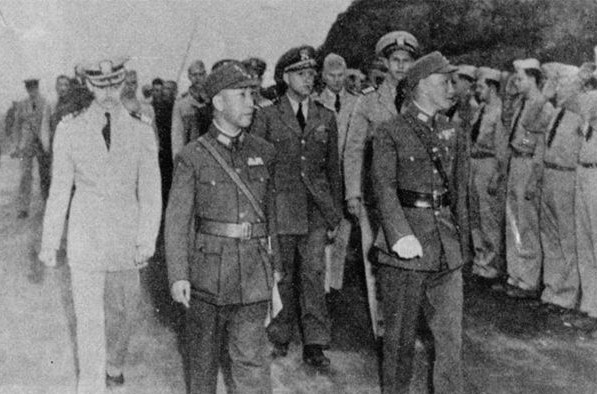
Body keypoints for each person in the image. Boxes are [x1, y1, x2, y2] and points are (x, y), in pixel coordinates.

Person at [38, 56, 162, 394]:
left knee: (123, 311)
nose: (107, 92)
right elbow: (59, 188)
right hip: (86, 235)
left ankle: (114, 363)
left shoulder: (141, 127)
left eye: (113, 84)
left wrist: (146, 237)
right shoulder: (69, 128)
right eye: (99, 85)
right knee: (88, 317)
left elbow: (151, 189)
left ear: (123, 83)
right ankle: (89, 384)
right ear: (88, 86)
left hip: (127, 236)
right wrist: (50, 242)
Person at [166, 60, 280, 393]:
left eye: (253, 95)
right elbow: (177, 221)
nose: (251, 103)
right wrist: (178, 275)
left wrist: (277, 267)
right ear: (217, 102)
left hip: (254, 272)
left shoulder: (264, 152)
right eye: (242, 95)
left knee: (252, 363)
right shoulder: (193, 156)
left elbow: (270, 214)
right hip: (207, 276)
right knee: (203, 365)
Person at [372, 51, 467, 394]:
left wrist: (463, 247)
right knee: (398, 343)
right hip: (406, 251)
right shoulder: (390, 132)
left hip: (446, 249)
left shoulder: (453, 131)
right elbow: (383, 188)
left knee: (450, 345)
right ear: (420, 86)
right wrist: (399, 235)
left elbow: (459, 193)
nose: (451, 88)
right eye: (444, 81)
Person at [251, 45, 343, 368]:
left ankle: (315, 344)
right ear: (285, 77)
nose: (309, 79)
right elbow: (259, 169)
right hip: (281, 208)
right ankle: (279, 335)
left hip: (316, 210)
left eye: (311, 73)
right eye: (301, 74)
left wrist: (336, 213)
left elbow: (333, 170)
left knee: (314, 275)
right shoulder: (266, 116)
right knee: (284, 274)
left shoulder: (325, 117)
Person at [343, 30, 420, 335]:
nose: (401, 67)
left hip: (413, 197)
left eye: (406, 61)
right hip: (375, 197)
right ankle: (384, 330)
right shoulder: (369, 102)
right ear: (386, 63)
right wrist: (352, 192)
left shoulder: (421, 99)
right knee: (376, 263)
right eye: (395, 60)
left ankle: (409, 326)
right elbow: (353, 148)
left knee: (412, 261)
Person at [534, 63, 584, 313]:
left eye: (564, 84)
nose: (559, 89)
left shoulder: (581, 116)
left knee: (567, 238)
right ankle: (552, 289)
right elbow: (530, 127)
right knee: (549, 235)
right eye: (558, 84)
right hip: (549, 173)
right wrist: (544, 94)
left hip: (567, 177)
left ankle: (567, 295)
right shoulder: (553, 113)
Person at [504, 58, 554, 299]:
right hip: (515, 161)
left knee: (527, 223)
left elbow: (537, 141)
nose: (517, 82)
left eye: (522, 78)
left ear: (534, 79)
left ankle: (529, 278)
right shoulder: (520, 104)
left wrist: (523, 147)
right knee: (513, 220)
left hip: (527, 163)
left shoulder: (543, 107)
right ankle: (515, 274)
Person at [314, 53, 359, 291]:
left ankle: (336, 285)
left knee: (345, 233)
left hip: (349, 177)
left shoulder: (357, 101)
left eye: (341, 75)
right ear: (323, 76)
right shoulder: (315, 103)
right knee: (324, 233)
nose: (337, 80)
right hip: (326, 179)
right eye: (332, 75)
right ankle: (324, 285)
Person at [469, 67, 508, 282]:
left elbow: (501, 148)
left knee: (488, 216)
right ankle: (480, 260)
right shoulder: (481, 109)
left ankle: (492, 265)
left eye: (481, 86)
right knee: (475, 215)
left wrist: (497, 175)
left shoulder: (499, 112)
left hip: (489, 164)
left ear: (492, 87)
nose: (477, 90)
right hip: (475, 162)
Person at [12, 78, 51, 218]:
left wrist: (48, 143)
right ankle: (23, 208)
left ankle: (47, 205)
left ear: (38, 87)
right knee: (25, 176)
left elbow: (49, 124)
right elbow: (17, 125)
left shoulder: (46, 103)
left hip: (42, 144)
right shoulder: (22, 104)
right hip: (26, 145)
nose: (31, 90)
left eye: (33, 87)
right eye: (28, 88)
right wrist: (17, 144)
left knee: (45, 175)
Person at [171, 60, 210, 162]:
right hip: (192, 157)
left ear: (205, 74)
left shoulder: (213, 100)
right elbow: (177, 137)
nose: (197, 78)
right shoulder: (181, 104)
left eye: (200, 74)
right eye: (194, 75)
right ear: (189, 76)